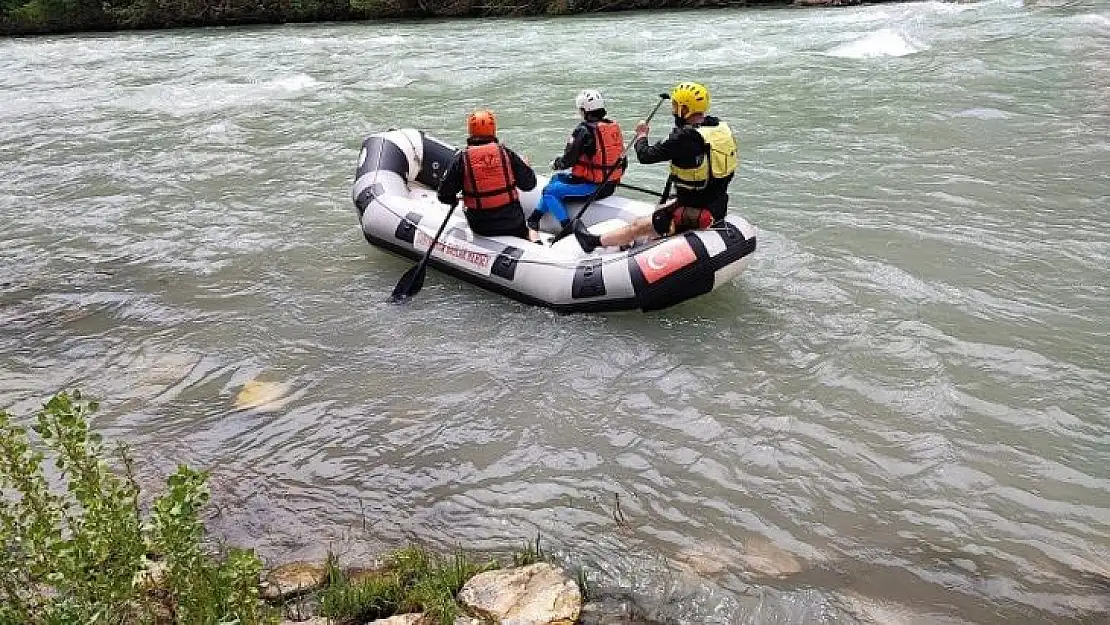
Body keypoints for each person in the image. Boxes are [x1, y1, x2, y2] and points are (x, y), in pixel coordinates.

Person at [573, 81, 737, 253]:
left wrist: (642, 135)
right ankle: (648, 240)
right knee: (662, 207)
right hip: (717, 204)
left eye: (675, 106)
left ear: (685, 109)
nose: (673, 110)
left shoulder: (684, 138)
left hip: (695, 207)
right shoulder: (719, 129)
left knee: (637, 225)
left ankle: (593, 241)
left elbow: (645, 155)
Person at [526, 89, 626, 232]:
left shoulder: (584, 130)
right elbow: (623, 161)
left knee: (548, 191)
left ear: (585, 110)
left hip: (593, 187)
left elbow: (569, 159)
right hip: (610, 185)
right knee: (555, 179)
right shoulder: (612, 128)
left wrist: (556, 163)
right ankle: (534, 219)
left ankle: (567, 227)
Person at [437, 109, 539, 240]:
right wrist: (526, 168)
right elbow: (529, 185)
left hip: (481, 226)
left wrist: (459, 197)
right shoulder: (506, 154)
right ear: (493, 129)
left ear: (470, 131)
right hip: (513, 223)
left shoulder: (462, 159)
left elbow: (443, 195)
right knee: (527, 228)